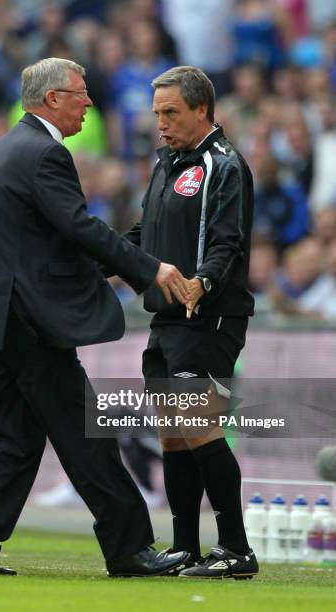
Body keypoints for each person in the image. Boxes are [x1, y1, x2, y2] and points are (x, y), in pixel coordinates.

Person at [0, 57, 188, 578]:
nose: (89, 102)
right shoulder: (44, 153)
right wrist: (148, 269)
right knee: (86, 434)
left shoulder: (11, 147)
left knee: (15, 442)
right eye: (80, 92)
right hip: (27, 322)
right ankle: (130, 548)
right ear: (52, 99)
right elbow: (78, 228)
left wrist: (119, 263)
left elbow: (43, 246)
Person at [125, 66, 259, 579]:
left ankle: (237, 549)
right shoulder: (165, 164)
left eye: (171, 112)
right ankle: (185, 549)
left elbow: (230, 240)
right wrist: (100, 262)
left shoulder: (225, 165)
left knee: (198, 426)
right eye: (157, 113)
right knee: (172, 434)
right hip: (166, 318)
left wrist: (202, 281)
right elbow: (144, 233)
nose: (160, 123)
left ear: (202, 109)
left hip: (211, 317)